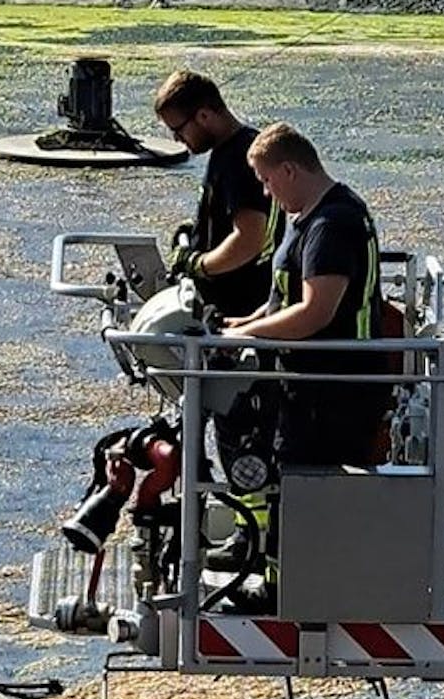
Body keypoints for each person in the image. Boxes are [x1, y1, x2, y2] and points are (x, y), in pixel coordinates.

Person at [223, 122, 391, 468]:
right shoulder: (311, 217)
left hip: (332, 392)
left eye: (266, 181)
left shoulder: (330, 225)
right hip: (310, 388)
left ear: (289, 170)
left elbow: (315, 312)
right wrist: (249, 320)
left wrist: (244, 335)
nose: (266, 194)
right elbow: (289, 293)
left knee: (311, 490)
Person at [153, 70, 281, 319]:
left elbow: (249, 239)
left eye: (178, 130)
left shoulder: (240, 159)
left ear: (203, 115)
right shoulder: (227, 152)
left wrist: (197, 264)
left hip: (238, 305)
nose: (177, 139)